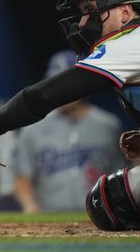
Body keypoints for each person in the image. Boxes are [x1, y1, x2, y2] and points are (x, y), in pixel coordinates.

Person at [0, 0, 140, 230]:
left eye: (90, 10)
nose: (84, 22)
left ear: (125, 13)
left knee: (111, 199)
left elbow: (46, 96)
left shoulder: (132, 41)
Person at [13, 50, 124, 213]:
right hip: (49, 219)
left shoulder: (109, 125)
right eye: (57, 85)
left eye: (68, 85)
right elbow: (22, 177)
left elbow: (119, 176)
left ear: (83, 84)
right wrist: (29, 205)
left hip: (100, 216)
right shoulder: (33, 128)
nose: (62, 92)